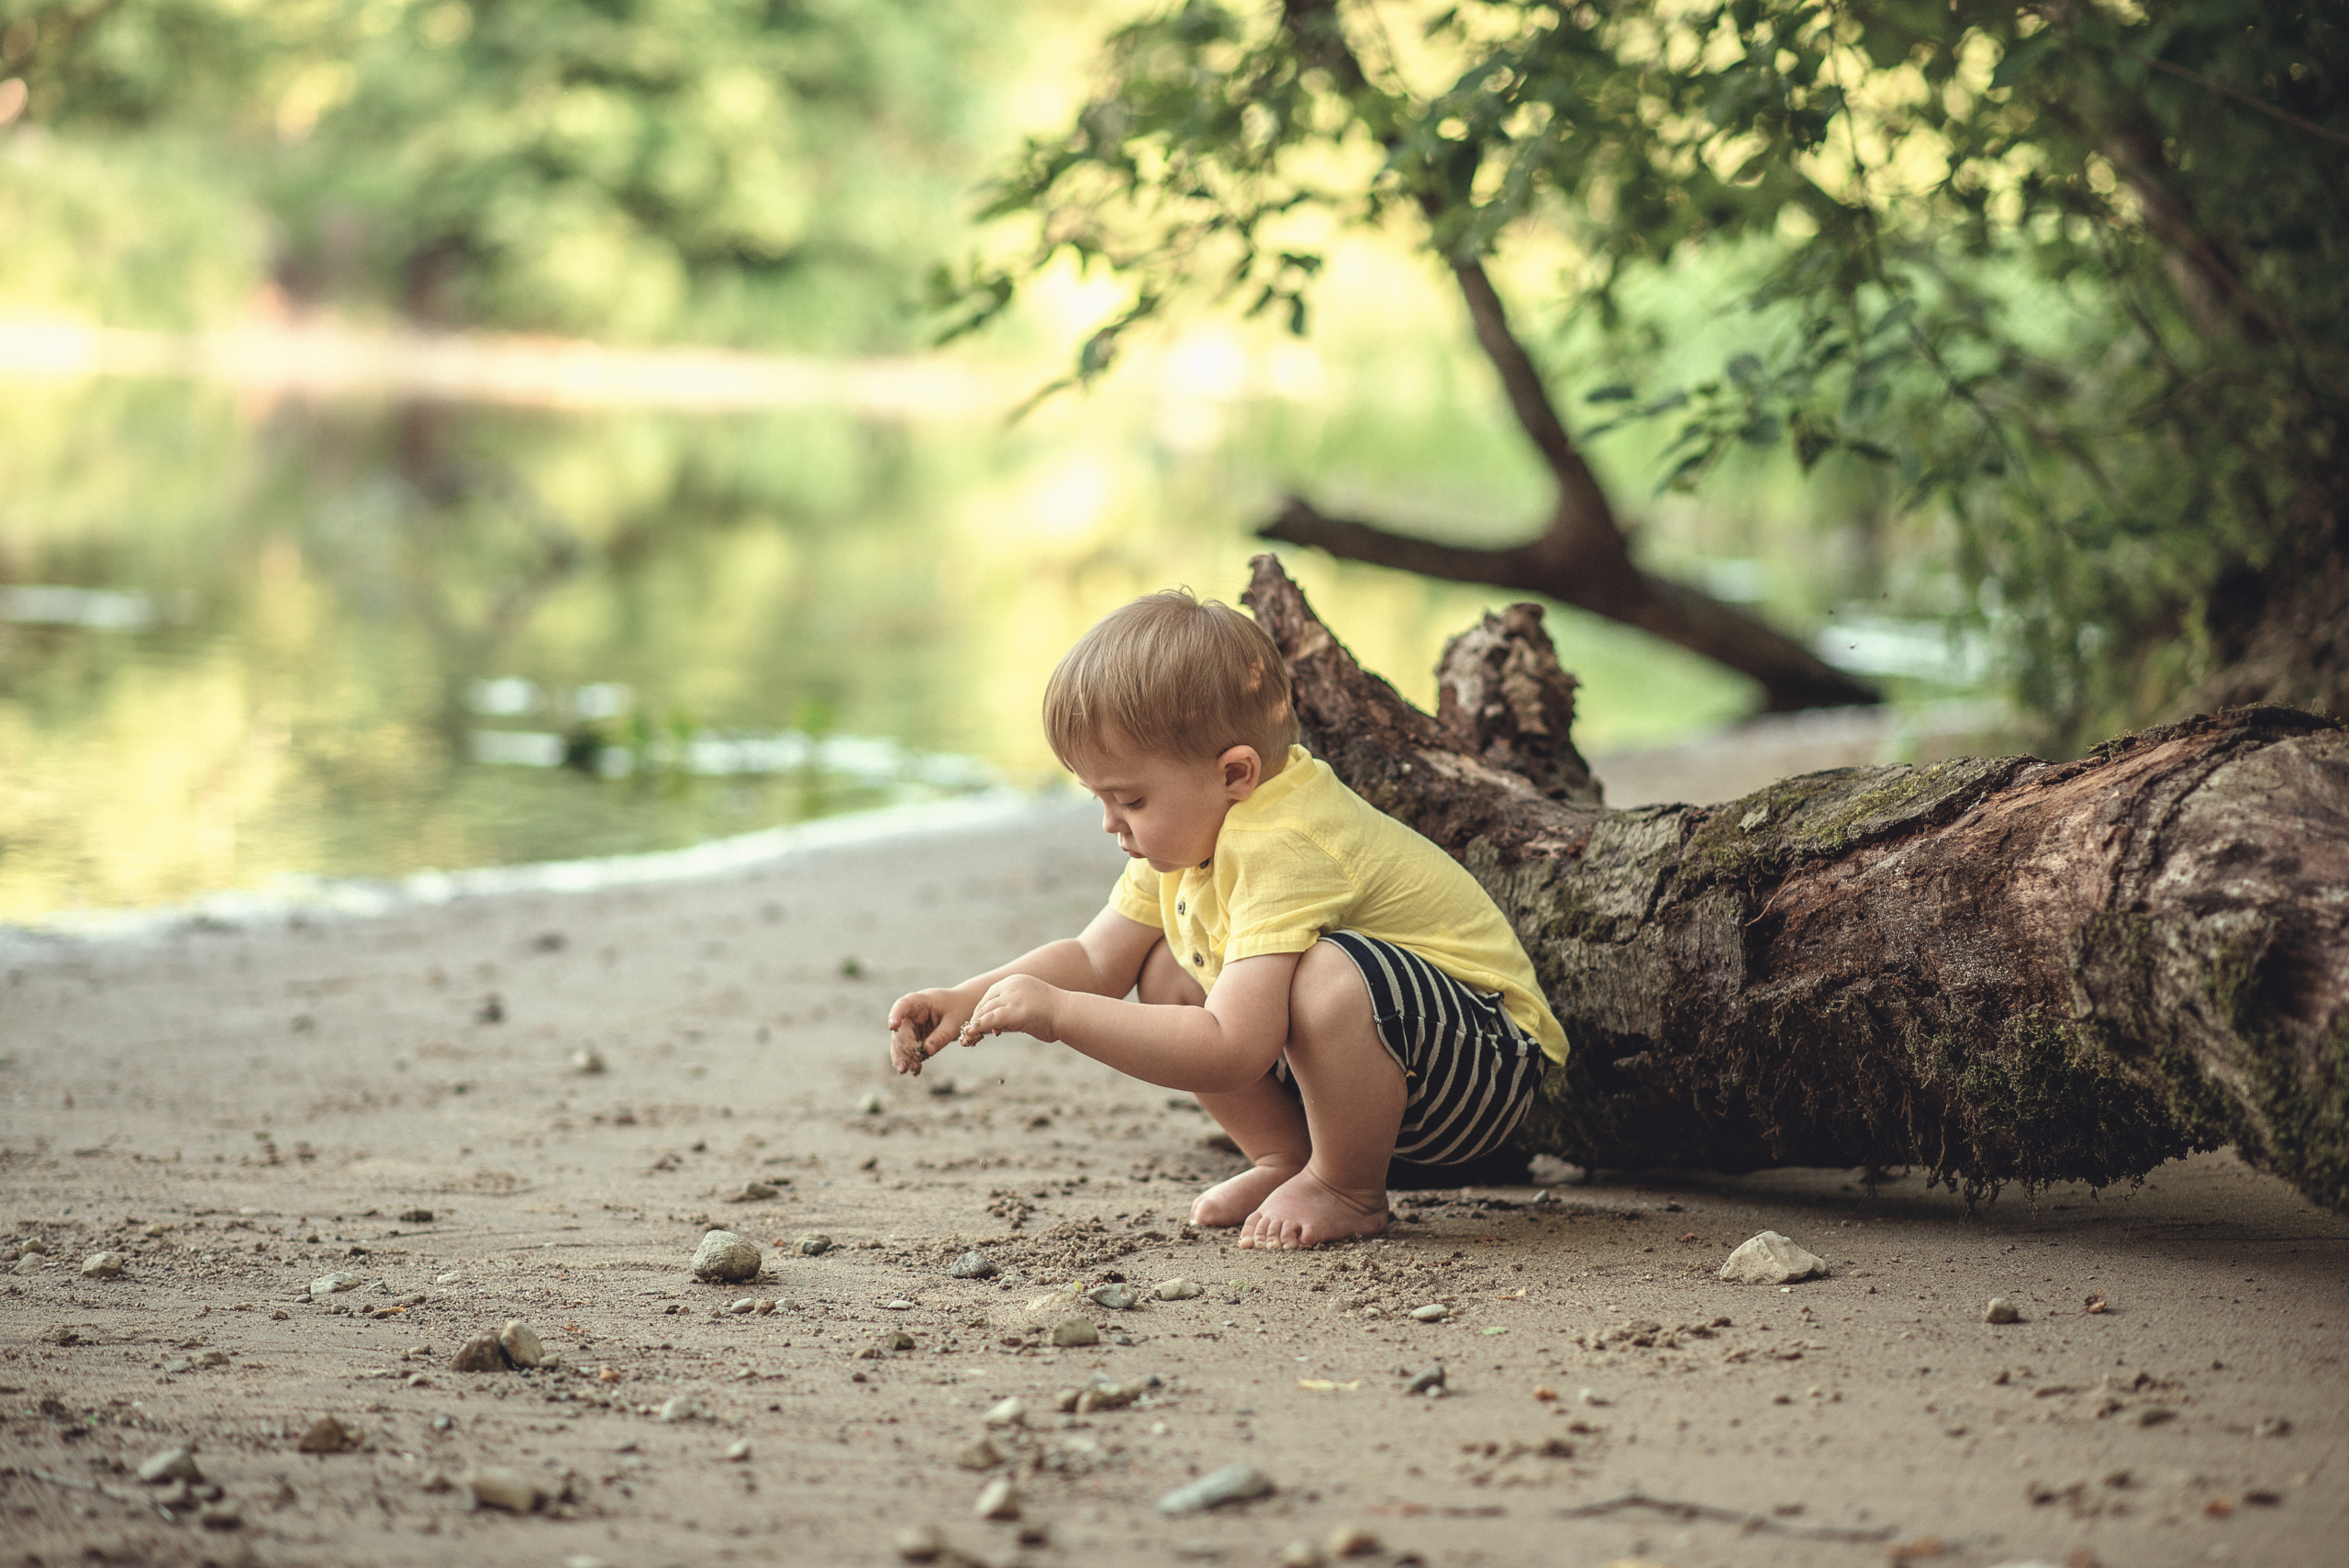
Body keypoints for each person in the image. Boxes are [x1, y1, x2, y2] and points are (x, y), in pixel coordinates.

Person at [886, 588, 1568, 1249]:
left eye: (1130, 798)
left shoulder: (1283, 841)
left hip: (1480, 1064)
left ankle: (1348, 1187)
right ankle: (1285, 1157)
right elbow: (1096, 961)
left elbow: (1233, 1044)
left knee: (1329, 977)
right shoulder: (1190, 836)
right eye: (1099, 797)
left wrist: (1061, 1016)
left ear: (1235, 774)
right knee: (1164, 967)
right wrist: (966, 998)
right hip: (1376, 1077)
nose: (1109, 823)